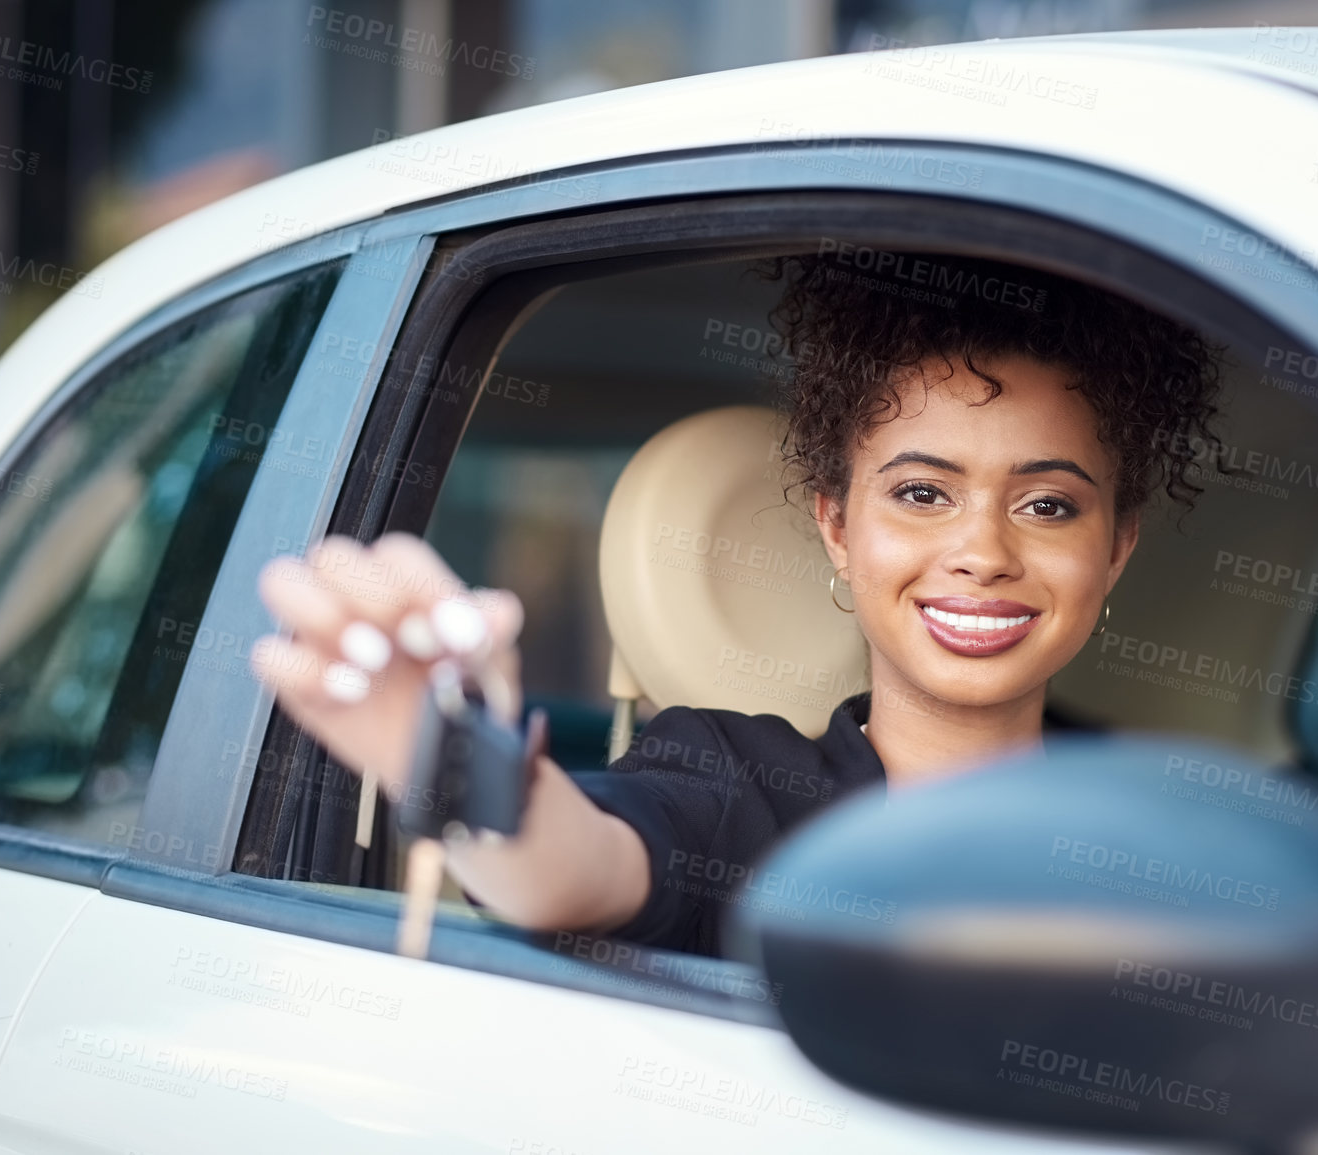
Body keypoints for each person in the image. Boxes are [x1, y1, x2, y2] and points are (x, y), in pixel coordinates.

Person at [250, 250, 1224, 957]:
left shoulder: (1169, 831)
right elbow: (569, 870)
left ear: (1116, 547)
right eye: (922, 494)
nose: (982, 553)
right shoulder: (740, 788)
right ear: (838, 530)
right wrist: (462, 762)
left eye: (1047, 505)